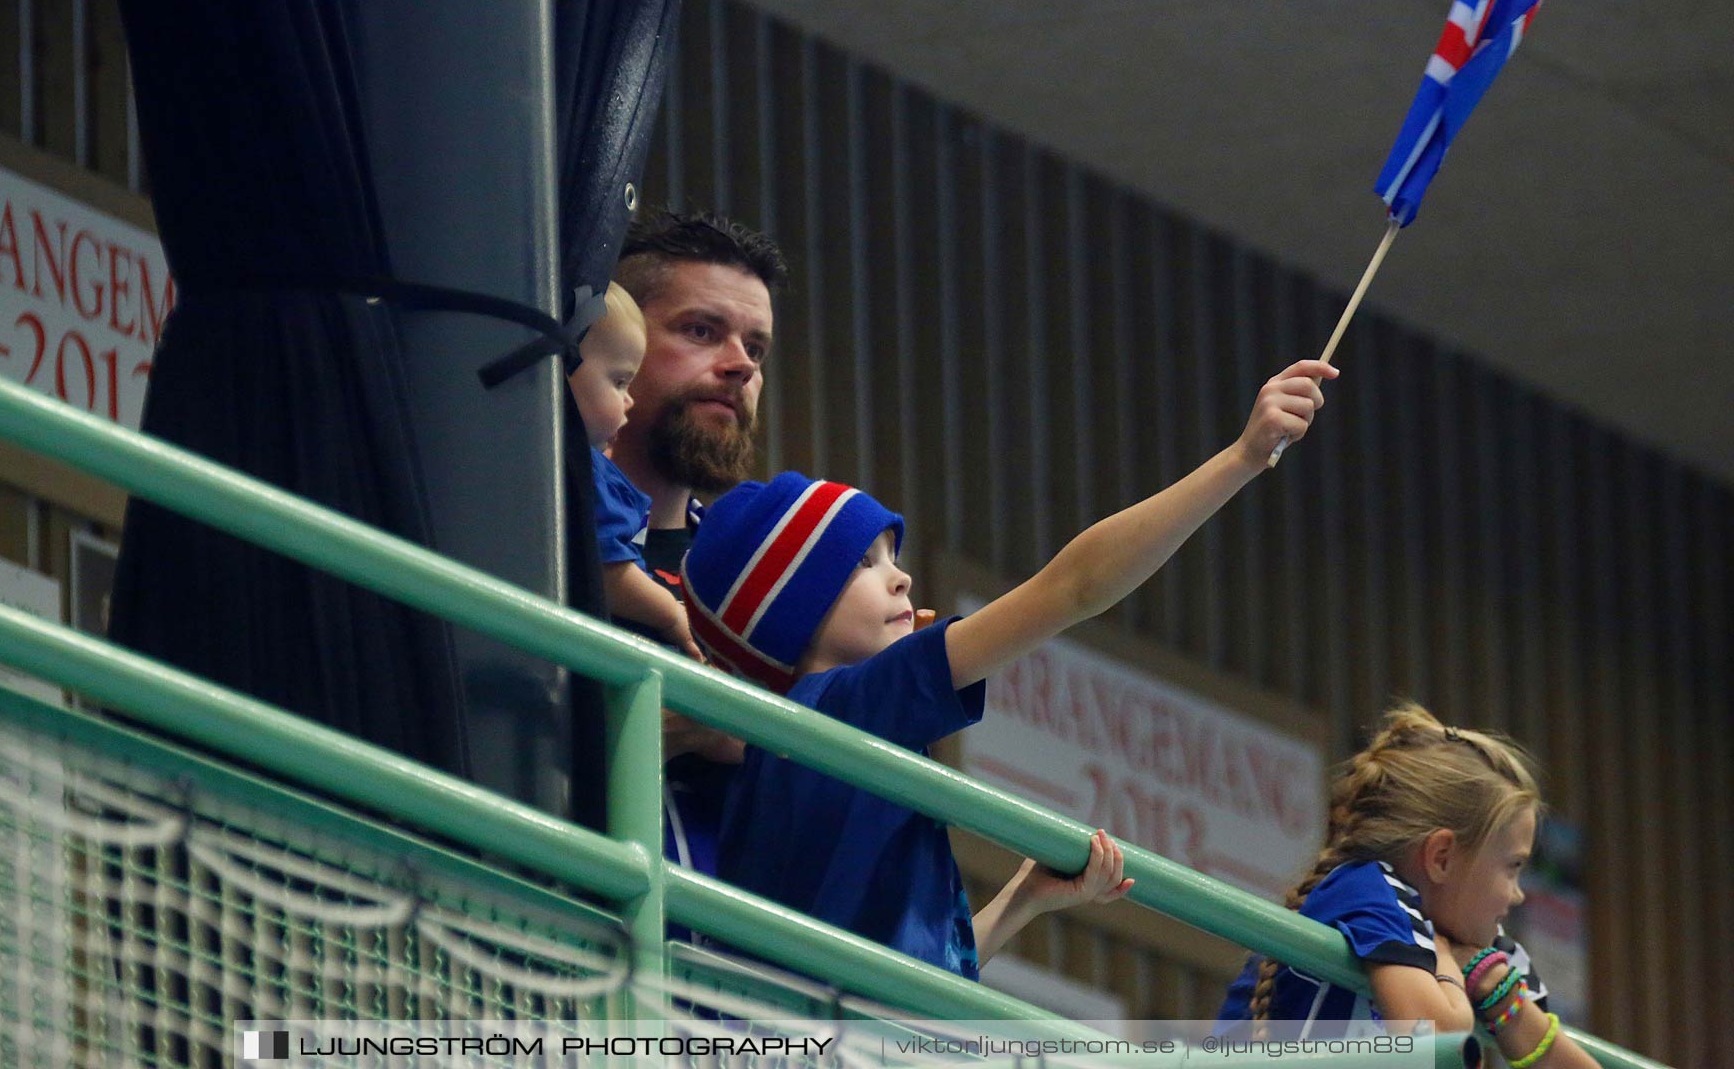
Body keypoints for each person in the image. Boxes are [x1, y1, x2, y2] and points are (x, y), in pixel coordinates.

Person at [682, 361, 1336, 976]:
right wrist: (1241, 457)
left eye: (892, 557)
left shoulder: (827, 741)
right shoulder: (840, 706)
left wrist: (1023, 901)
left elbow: (916, 980)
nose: (901, 578)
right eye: (863, 563)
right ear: (787, 611)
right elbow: (1073, 587)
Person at [1218, 703, 1601, 1069]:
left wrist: (1500, 994)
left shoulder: (1483, 942)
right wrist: (1447, 963)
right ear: (1441, 858)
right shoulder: (1366, 888)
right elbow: (1435, 1042)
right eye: (1513, 867)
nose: (1518, 894)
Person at [607, 210, 788, 874]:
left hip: (732, 955)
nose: (740, 365)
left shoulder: (761, 580)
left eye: (757, 349)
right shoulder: (532, 533)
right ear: (613, 339)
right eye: (702, 331)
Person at [568, 282, 701, 660]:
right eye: (620, 381)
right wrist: (671, 614)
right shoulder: (585, 475)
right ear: (560, 370)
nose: (629, 399)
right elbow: (607, 572)